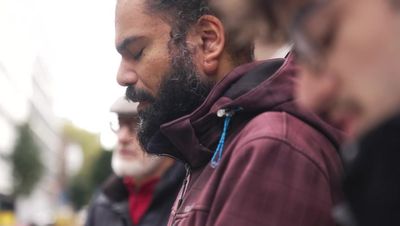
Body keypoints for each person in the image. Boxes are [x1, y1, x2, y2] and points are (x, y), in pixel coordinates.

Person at [114, 0, 344, 225]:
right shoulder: (214, 146)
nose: (122, 76)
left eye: (137, 52)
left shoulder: (271, 146)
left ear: (207, 41)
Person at [85, 97, 185, 226]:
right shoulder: (103, 202)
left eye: (138, 124)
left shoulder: (191, 194)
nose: (122, 137)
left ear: (168, 130)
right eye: (120, 124)